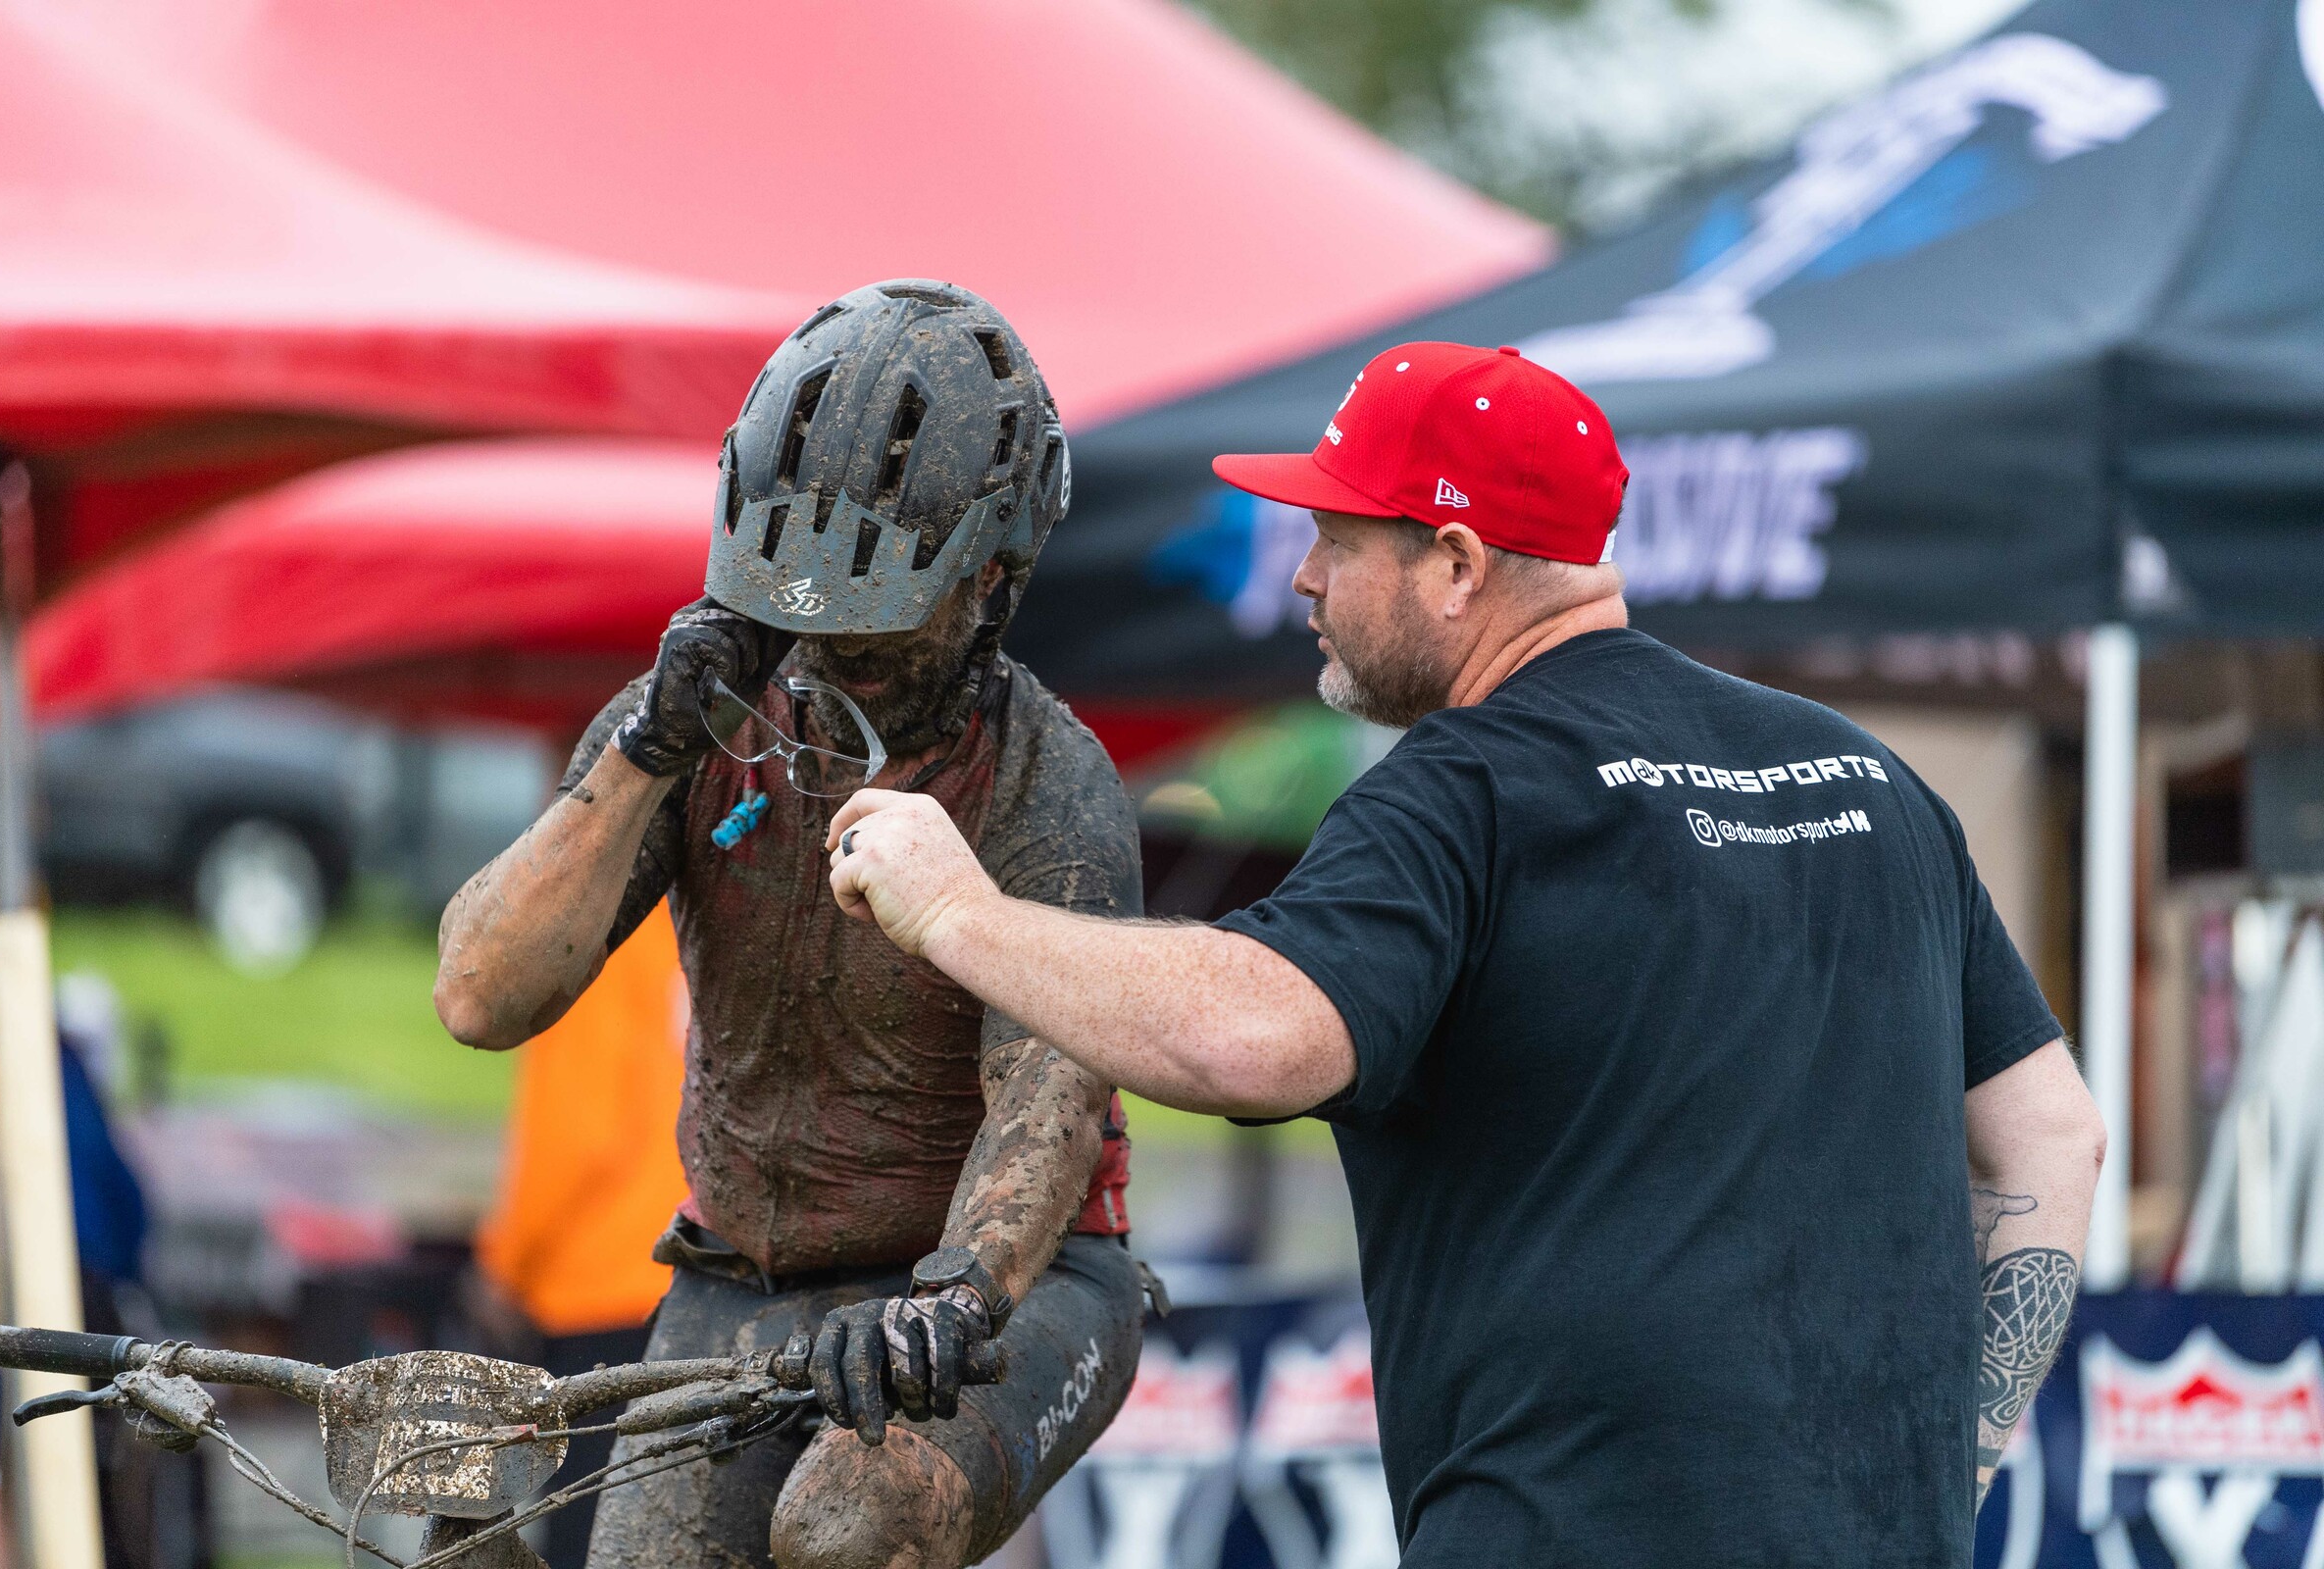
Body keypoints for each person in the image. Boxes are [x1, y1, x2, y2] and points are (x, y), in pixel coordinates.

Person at [823, 341, 2107, 1566]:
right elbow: (2055, 1133)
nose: (1305, 580)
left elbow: (1261, 1034)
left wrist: (959, 915)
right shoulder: (1869, 781)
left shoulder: (1467, 786)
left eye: (1336, 537)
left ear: (1453, 563)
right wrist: (1972, 1448)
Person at [434, 280, 1146, 1569]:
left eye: (869, 609)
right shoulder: (702, 718)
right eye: (797, 591)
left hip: (1003, 1290)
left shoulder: (1052, 787)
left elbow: (1043, 1107)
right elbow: (480, 996)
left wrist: (958, 1294)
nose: (823, 644)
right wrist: (646, 749)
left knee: (848, 1523)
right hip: (735, 1277)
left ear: (990, 579)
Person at [472, 908, 689, 1569]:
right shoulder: (722, 914)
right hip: (716, 1285)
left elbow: (576, 1137)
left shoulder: (594, 927)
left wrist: (503, 1269)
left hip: (603, 1290)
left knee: (595, 1543)